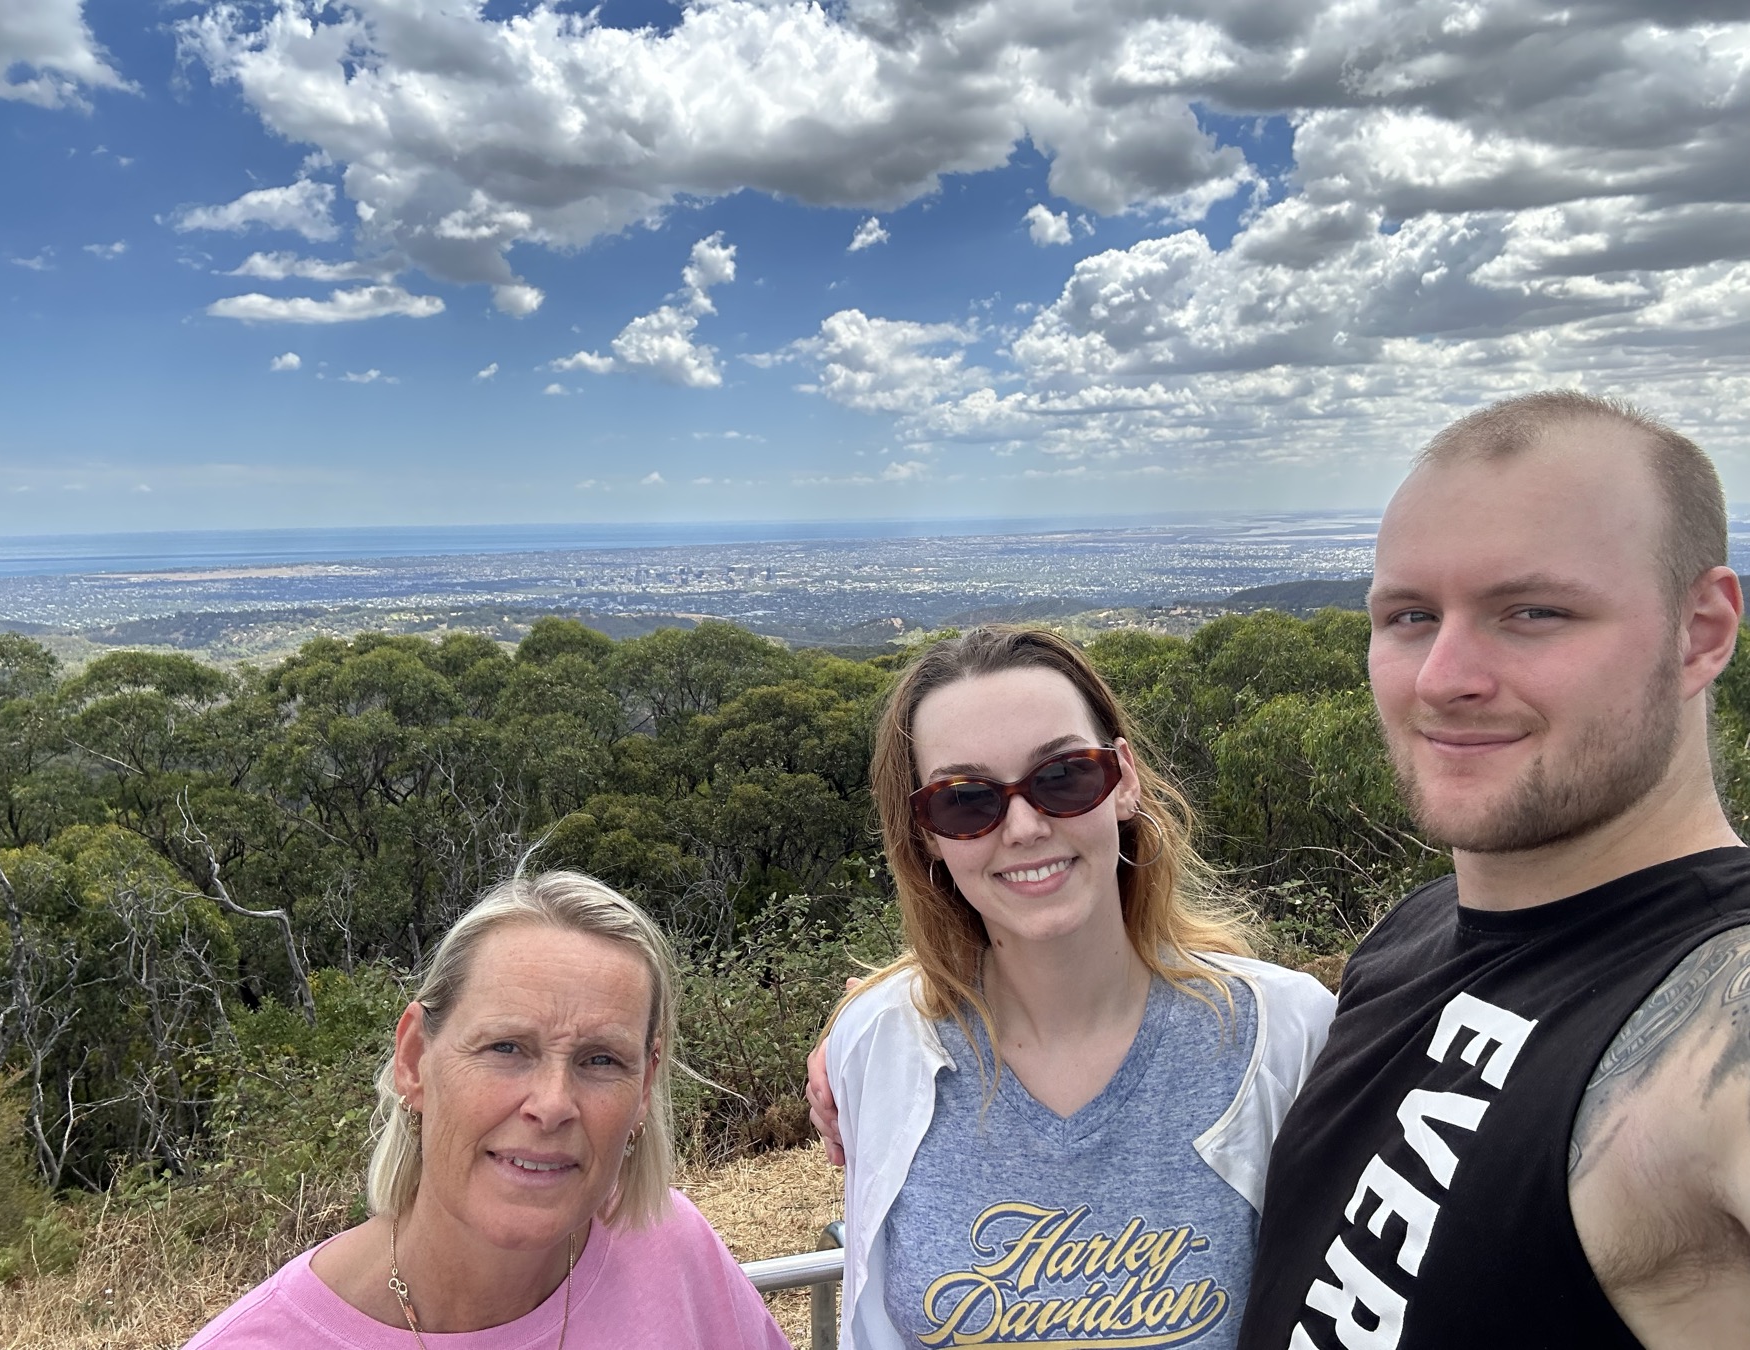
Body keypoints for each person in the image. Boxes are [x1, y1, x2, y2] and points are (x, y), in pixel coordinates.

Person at [1235, 392, 1750, 1349]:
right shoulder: (1414, 932)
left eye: (1534, 612)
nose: (1443, 676)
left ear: (1703, 632)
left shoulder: (1718, 1010)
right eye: (1410, 616)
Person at [821, 626, 1336, 1349]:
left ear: (1122, 779)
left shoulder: (1284, 1036)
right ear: (926, 833)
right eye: (966, 800)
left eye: (1063, 777)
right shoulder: (879, 1047)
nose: (1025, 827)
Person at [185, 869, 790, 1349]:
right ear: (415, 1058)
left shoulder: (669, 1247)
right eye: (507, 1048)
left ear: (645, 1088)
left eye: (601, 1060)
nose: (552, 1105)